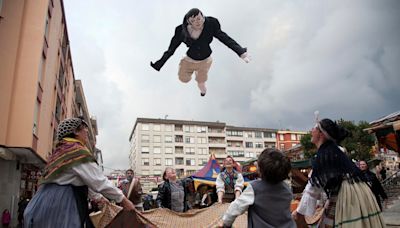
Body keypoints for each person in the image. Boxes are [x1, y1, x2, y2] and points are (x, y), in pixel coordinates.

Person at [23, 117, 135, 227]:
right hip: (62, 203)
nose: (87, 131)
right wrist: (123, 199)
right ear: (76, 132)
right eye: (84, 128)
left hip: (41, 202)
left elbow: (81, 179)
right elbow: (97, 181)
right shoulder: (77, 152)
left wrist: (98, 197)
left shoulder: (60, 152)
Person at [292, 118, 385, 228]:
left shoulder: (326, 154)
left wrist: (299, 212)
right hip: (359, 192)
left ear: (321, 134)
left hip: (347, 195)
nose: (311, 130)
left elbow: (313, 188)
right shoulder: (334, 150)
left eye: (314, 128)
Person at [151, 8, 250, 96]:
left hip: (205, 60)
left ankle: (203, 91)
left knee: (201, 82)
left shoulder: (211, 25)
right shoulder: (182, 31)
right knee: (183, 79)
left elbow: (225, 39)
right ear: (189, 22)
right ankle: (189, 72)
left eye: (198, 18)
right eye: (193, 21)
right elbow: (171, 50)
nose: (197, 22)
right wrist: (159, 64)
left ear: (203, 17)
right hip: (189, 60)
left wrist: (241, 52)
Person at [219, 149, 295, 228]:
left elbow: (235, 207)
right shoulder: (287, 189)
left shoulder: (255, 188)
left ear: (260, 169)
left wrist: (226, 223)